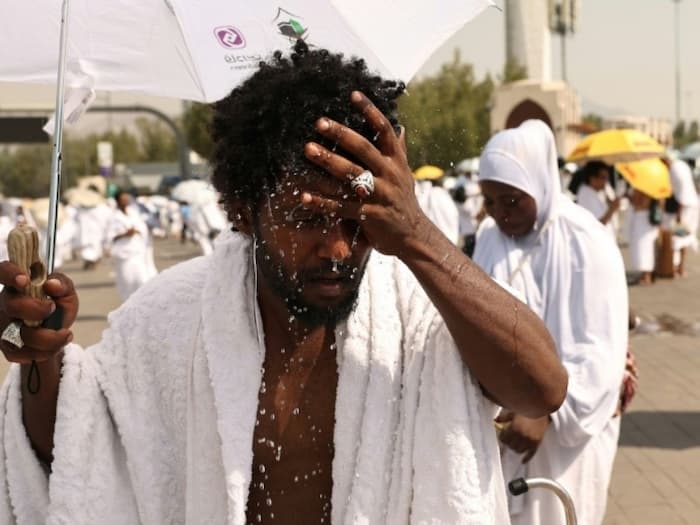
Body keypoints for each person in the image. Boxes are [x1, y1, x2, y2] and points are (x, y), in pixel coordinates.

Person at [0, 42, 567, 524]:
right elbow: (80, 453)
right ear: (244, 209)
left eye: (355, 222)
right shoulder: (172, 316)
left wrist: (417, 233)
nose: (337, 249)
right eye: (307, 221)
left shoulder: (422, 311)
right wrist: (41, 362)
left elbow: (540, 391)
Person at [472, 120, 628, 525]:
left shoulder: (584, 241)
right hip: (502, 428)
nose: (500, 213)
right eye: (490, 201)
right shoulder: (490, 237)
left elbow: (598, 351)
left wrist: (546, 410)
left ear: (538, 185)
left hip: (566, 438)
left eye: (511, 200)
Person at [106, 189, 158, 301]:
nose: (125, 201)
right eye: (123, 200)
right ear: (118, 201)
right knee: (127, 283)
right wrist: (125, 234)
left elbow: (142, 227)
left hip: (137, 252)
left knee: (143, 280)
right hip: (123, 256)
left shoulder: (134, 213)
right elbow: (109, 237)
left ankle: (143, 306)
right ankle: (128, 308)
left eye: (126, 199)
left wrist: (139, 231)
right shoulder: (113, 217)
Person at [662, 156, 699, 276]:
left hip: (684, 208)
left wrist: (679, 214)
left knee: (678, 238)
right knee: (683, 238)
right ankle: (679, 267)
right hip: (689, 206)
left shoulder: (675, 169)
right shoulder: (680, 166)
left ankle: (675, 267)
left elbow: (683, 191)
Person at [413, 164, 460, 244]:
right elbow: (454, 214)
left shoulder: (427, 195)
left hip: (431, 239)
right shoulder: (442, 194)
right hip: (448, 239)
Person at [575, 160, 621, 239]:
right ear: (592, 178)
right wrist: (612, 209)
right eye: (603, 177)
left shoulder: (599, 191)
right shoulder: (586, 194)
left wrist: (609, 203)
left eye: (607, 177)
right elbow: (598, 224)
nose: (605, 181)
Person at [625, 188, 661, 285]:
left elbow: (638, 204)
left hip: (642, 221)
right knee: (646, 249)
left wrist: (629, 197)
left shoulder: (641, 189)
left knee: (642, 249)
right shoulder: (654, 190)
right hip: (648, 222)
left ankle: (646, 276)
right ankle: (646, 275)